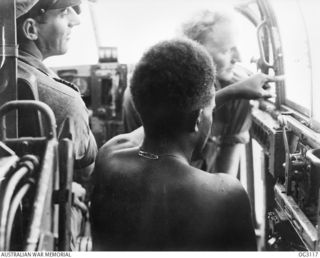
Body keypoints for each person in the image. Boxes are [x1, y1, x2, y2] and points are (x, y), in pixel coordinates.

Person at [90, 38, 260, 251]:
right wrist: (214, 100)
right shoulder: (227, 193)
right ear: (198, 118)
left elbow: (160, 114)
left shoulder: (109, 155)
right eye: (211, 109)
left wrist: (225, 94)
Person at [122, 9, 256, 176]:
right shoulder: (143, 92)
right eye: (226, 50)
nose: (238, 58)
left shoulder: (239, 89)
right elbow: (146, 170)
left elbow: (226, 179)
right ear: (195, 51)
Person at [16, 0, 97, 250]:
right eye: (64, 13)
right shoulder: (65, 100)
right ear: (31, 29)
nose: (75, 20)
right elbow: (87, 172)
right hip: (42, 229)